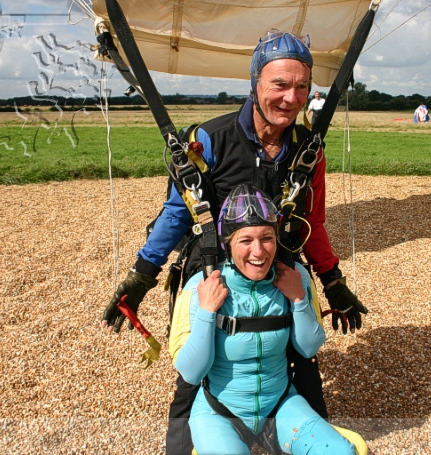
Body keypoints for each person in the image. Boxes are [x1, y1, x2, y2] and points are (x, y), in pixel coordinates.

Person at [101, 31, 368, 455]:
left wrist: (331, 279)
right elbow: (177, 212)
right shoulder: (211, 139)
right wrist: (142, 275)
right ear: (255, 84)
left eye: (302, 86)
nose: (291, 97)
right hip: (212, 273)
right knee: (192, 383)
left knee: (305, 370)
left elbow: (312, 220)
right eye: (280, 84)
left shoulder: (306, 150)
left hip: (279, 274)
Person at [169, 184, 358, 455]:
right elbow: (191, 372)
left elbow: (309, 348)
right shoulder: (200, 287)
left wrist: (298, 300)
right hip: (219, 414)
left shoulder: (296, 277)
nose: (258, 252)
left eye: (267, 238)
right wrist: (208, 311)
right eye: (245, 240)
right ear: (228, 244)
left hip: (281, 406)